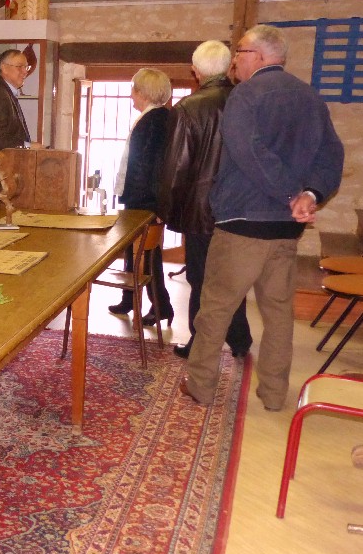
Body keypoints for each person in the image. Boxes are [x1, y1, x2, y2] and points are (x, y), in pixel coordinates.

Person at [180, 24, 344, 410]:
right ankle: (273, 395)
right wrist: (308, 195)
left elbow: (249, 154)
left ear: (261, 56)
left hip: (243, 223)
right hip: (285, 229)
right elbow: (331, 156)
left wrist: (291, 194)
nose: (235, 60)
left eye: (239, 52)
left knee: (216, 308)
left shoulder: (246, 96)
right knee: (279, 314)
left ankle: (201, 384)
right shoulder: (311, 98)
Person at [158, 40, 252, 360]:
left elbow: (176, 167)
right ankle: (240, 340)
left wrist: (165, 211)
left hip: (202, 208)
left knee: (200, 278)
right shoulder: (247, 101)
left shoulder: (189, 107)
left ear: (195, 71)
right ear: (229, 68)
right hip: (241, 208)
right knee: (232, 275)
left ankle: (200, 343)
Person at [108, 67, 174, 326]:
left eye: (133, 90)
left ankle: (161, 306)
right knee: (133, 253)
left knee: (148, 256)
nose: (131, 96)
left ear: (144, 92)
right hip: (139, 199)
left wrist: (155, 205)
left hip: (145, 201)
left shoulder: (155, 121)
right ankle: (129, 299)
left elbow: (155, 167)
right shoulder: (154, 118)